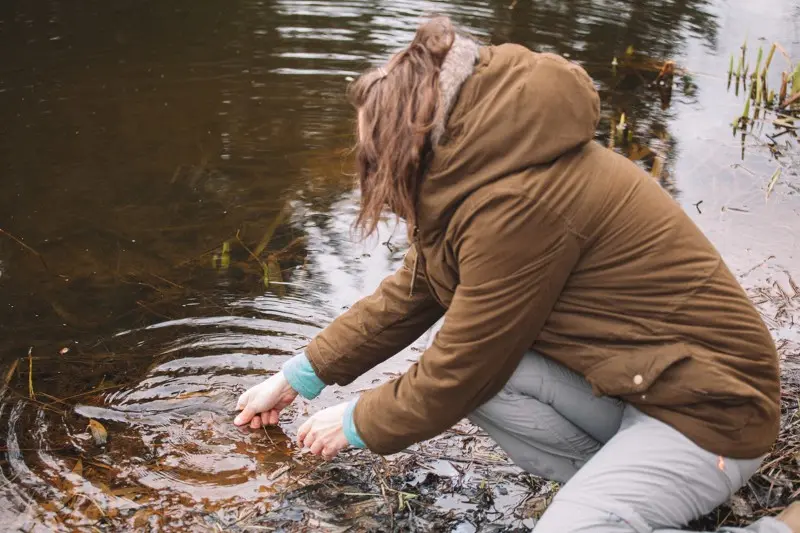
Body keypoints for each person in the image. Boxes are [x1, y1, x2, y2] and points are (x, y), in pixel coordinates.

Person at [234, 16, 798, 533]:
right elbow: (413, 292)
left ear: (419, 136)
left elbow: (462, 369)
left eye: (374, 150)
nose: (368, 162)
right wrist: (296, 378)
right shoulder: (481, 171)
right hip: (639, 386)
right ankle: (618, 497)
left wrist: (355, 422)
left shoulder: (521, 203)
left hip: (710, 412)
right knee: (494, 382)